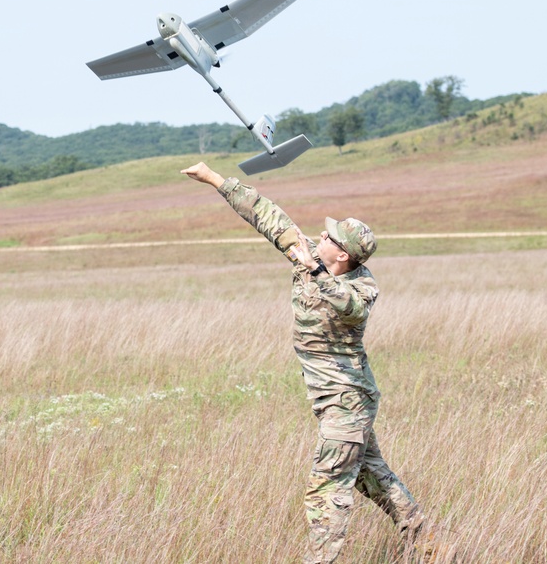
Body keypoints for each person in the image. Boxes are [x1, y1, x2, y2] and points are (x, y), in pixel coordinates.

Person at [180, 161, 431, 564]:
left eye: (328, 237)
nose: (319, 236)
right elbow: (267, 214)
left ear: (343, 254)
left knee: (326, 489)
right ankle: (428, 543)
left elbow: (351, 309)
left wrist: (316, 271)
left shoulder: (361, 285)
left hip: (347, 401)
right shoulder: (307, 254)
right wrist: (214, 179)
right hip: (334, 399)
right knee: (371, 477)